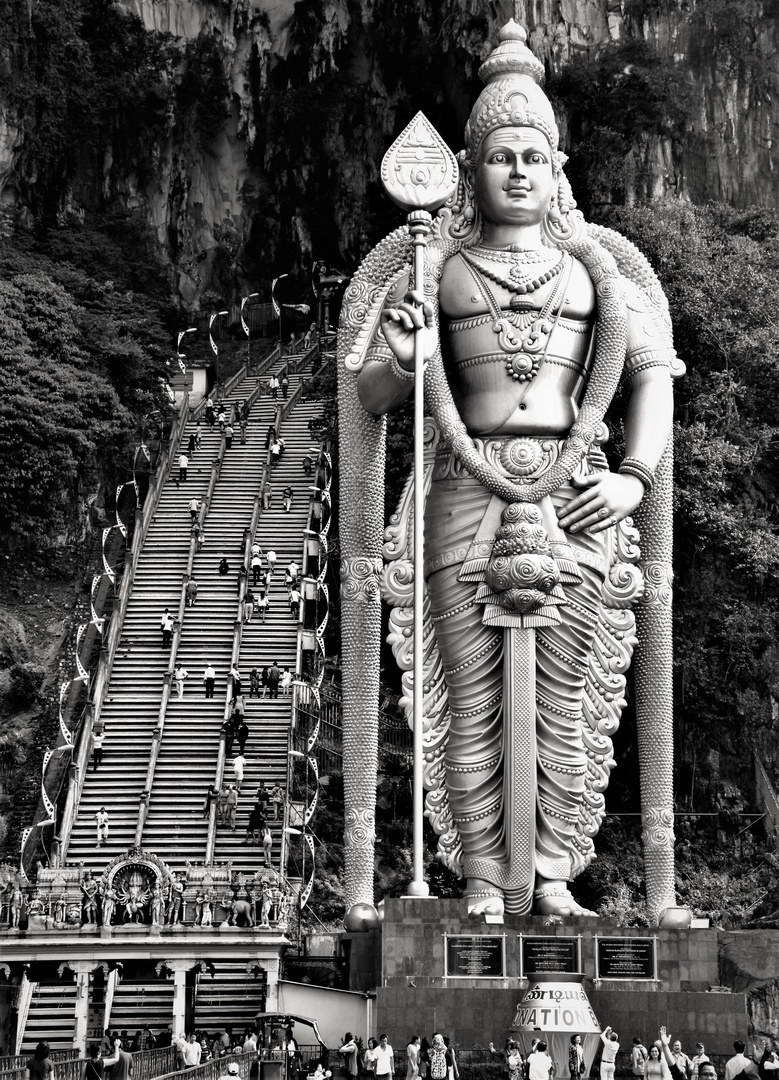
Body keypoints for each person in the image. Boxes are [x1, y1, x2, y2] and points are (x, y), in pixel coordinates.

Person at [345, 17, 680, 918]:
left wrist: (632, 477)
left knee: (566, 693)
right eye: (502, 156)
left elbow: (650, 377)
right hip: (461, 484)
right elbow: (373, 394)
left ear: (558, 167)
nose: (521, 171)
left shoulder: (593, 271)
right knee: (469, 688)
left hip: (577, 488)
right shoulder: (436, 269)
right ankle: (485, 881)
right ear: (470, 167)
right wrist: (408, 359)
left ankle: (554, 875)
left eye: (536, 154)